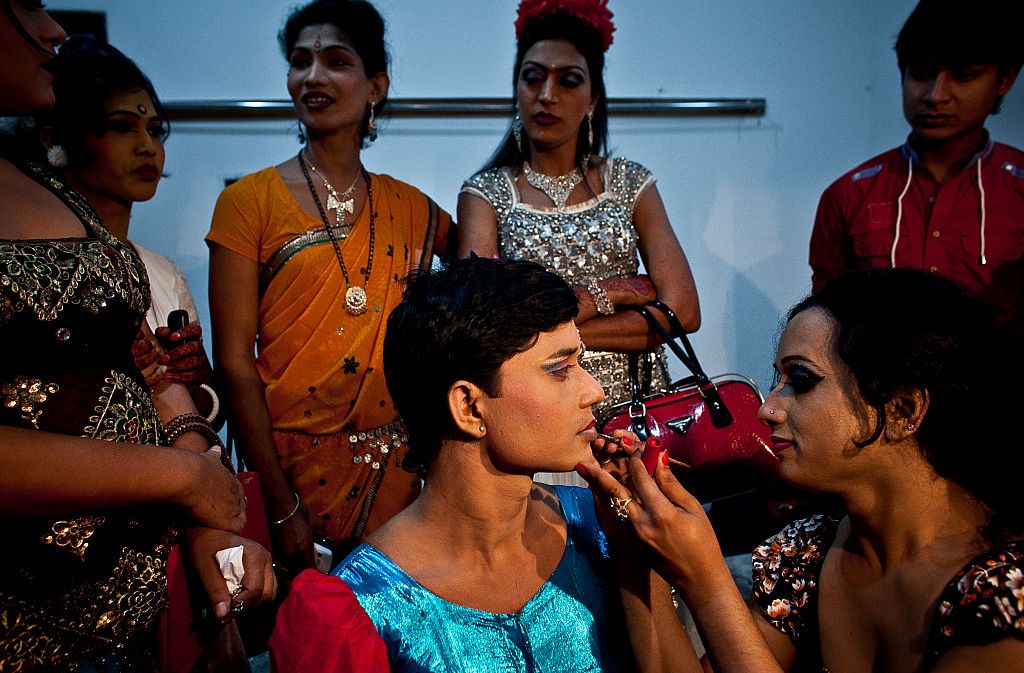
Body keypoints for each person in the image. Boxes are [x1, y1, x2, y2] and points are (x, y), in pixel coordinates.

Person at [0, 3, 273, 671]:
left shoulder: (51, 199)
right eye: (25, 3)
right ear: (66, 138)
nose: (53, 29)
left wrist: (200, 482)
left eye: (155, 130)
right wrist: (183, 478)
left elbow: (147, 373)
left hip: (130, 611)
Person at [582, 268, 1024, 672]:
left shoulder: (1004, 591)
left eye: (802, 381)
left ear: (902, 410)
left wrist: (708, 582)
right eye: (777, 381)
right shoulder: (807, 552)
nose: (768, 409)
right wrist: (632, 551)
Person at [268, 257, 685, 672]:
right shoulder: (361, 607)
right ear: (469, 406)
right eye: (560, 369)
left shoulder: (604, 526)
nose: (594, 391)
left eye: (581, 364)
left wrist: (633, 557)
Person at [207, 0, 453, 571]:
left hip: (398, 475)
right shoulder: (247, 202)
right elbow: (236, 364)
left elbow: (484, 269)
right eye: (300, 62)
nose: (312, 77)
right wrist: (280, 504)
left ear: (376, 87)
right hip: (287, 469)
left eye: (336, 62)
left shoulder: (412, 208)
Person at [457, 0, 700, 420]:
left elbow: (683, 311)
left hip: (638, 414)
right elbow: (483, 322)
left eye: (568, 81)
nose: (547, 95)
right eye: (532, 78)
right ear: (516, 88)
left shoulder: (628, 183)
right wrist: (612, 294)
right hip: (539, 414)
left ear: (592, 100)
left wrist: (548, 334)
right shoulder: (486, 194)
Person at [34, 36, 219, 421]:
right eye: (122, 127)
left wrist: (195, 383)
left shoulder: (163, 274)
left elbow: (207, 419)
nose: (147, 146)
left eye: (155, 130)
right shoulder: (35, 269)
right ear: (56, 139)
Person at [809, 0, 1023, 332]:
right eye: (921, 74)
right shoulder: (848, 195)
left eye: (964, 76)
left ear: (1004, 80)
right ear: (902, 74)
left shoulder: (1019, 189)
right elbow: (826, 326)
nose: (936, 95)